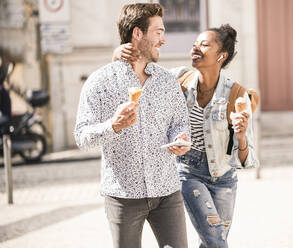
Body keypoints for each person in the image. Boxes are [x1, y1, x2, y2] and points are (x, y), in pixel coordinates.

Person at [113, 24, 259, 248]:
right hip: (189, 173)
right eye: (194, 44)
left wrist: (240, 136)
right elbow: (142, 71)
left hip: (225, 179)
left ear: (221, 55)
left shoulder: (237, 95)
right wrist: (118, 56)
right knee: (215, 240)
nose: (195, 48)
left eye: (204, 44)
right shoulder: (179, 80)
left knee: (211, 241)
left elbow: (246, 160)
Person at [74, 3, 191, 248]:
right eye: (158, 32)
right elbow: (82, 137)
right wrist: (113, 126)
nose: (163, 40)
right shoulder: (100, 83)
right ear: (138, 34)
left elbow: (180, 121)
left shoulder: (167, 82)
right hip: (122, 196)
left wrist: (180, 137)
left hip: (167, 191)